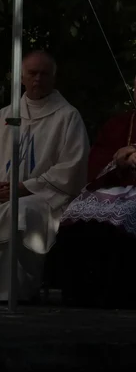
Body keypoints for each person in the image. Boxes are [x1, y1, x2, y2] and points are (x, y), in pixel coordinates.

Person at [0, 51, 88, 302]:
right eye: (32, 73)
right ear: (22, 77)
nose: (38, 79)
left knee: (17, 214)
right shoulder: (1, 118)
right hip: (1, 194)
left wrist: (25, 187)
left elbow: (71, 167)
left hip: (44, 199)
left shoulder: (68, 117)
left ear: (54, 78)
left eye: (44, 74)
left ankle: (10, 290)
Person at [56, 79, 136, 306]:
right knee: (77, 214)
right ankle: (80, 294)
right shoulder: (118, 124)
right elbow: (98, 158)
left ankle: (119, 295)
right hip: (115, 187)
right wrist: (119, 157)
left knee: (126, 215)